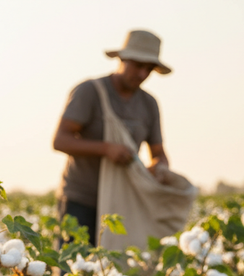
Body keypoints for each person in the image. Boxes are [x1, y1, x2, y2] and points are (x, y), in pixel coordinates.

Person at [53, 29, 174, 245]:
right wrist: (106, 149)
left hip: (121, 204)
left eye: (149, 69)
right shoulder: (90, 92)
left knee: (113, 273)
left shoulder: (149, 104)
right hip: (81, 200)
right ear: (122, 59)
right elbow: (60, 140)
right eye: (138, 66)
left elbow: (158, 153)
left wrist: (159, 168)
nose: (142, 74)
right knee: (74, 271)